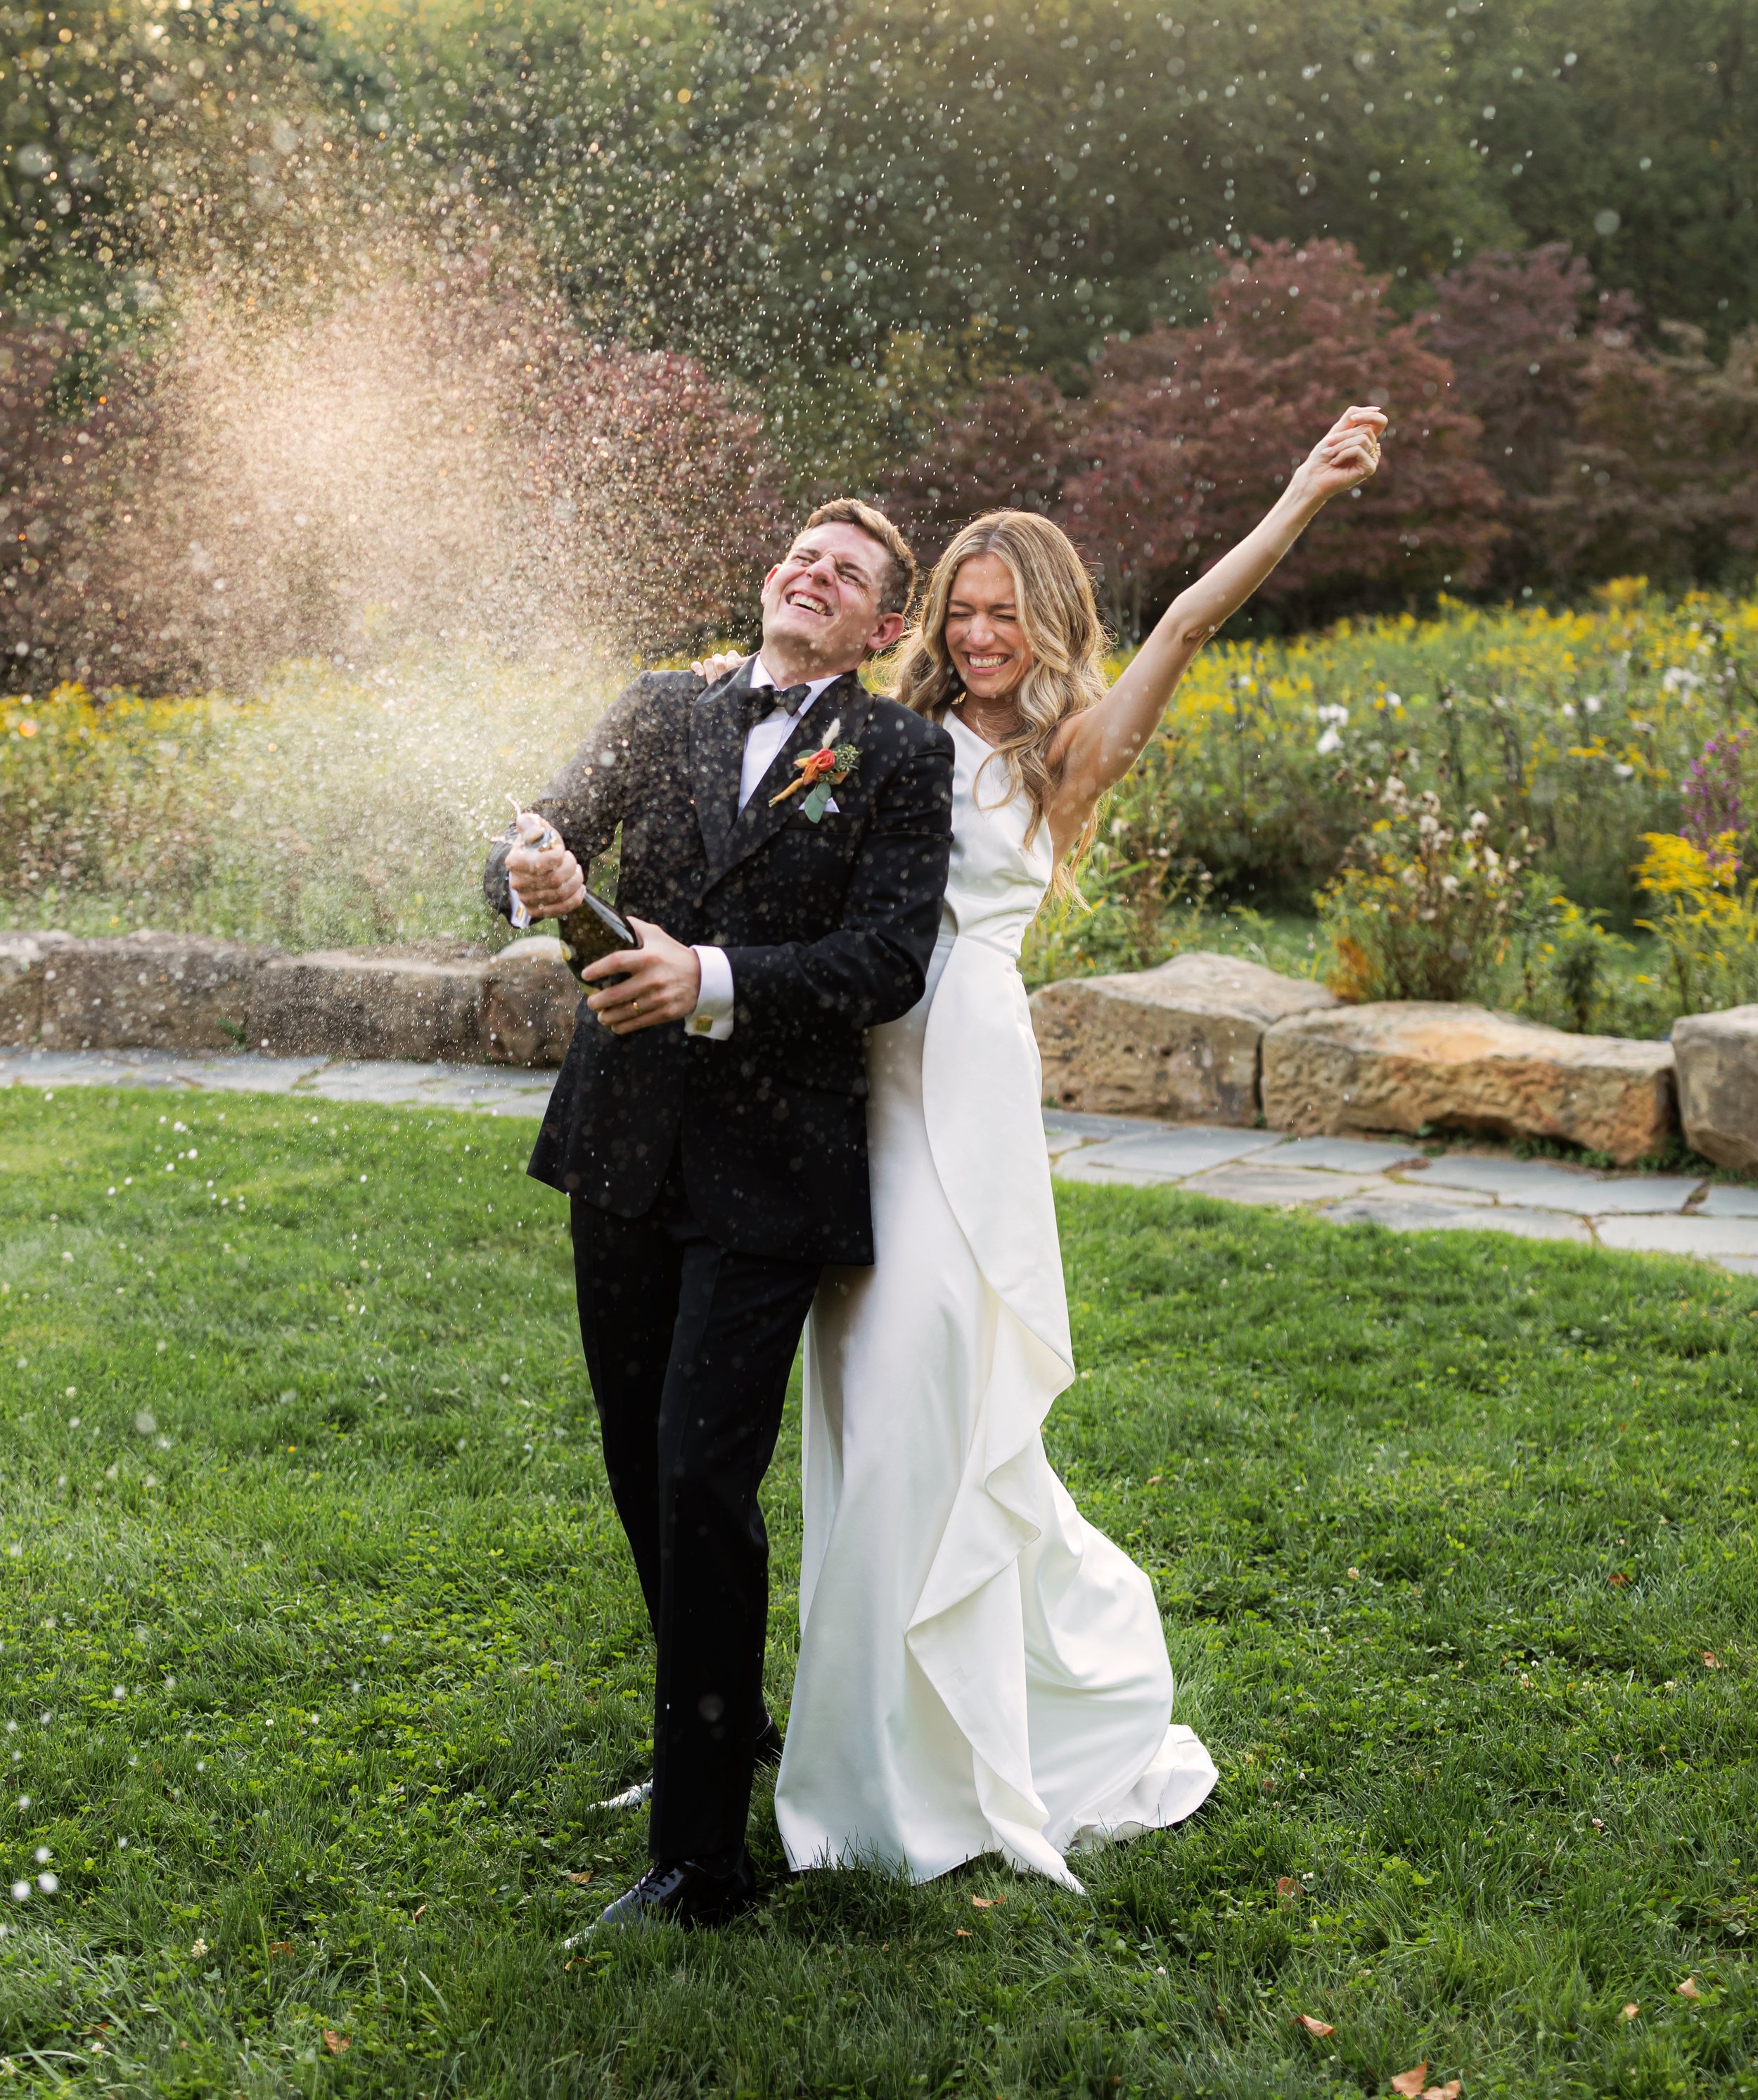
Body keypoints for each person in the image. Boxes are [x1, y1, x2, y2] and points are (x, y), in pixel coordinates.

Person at [763, 404, 1387, 1889]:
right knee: (862, 1391)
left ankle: (972, 1737)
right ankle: (863, 1740)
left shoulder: (1064, 759)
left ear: (1044, 622)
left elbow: (1182, 619)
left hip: (961, 1079)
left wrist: (1300, 487)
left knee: (931, 1369)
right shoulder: (886, 736)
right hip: (856, 1062)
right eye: (963, 614)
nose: (981, 638)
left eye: (1005, 615)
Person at [487, 499, 954, 1929]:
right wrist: (537, 879)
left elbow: (884, 961)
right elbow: (535, 847)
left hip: (773, 1171)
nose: (812, 573)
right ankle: (723, 1726)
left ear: (881, 629)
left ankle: (701, 1861)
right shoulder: (660, 708)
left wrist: (713, 979)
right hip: (620, 1145)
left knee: (701, 1478)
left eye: (850, 573)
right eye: (800, 554)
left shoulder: (896, 753)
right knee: (641, 1465)